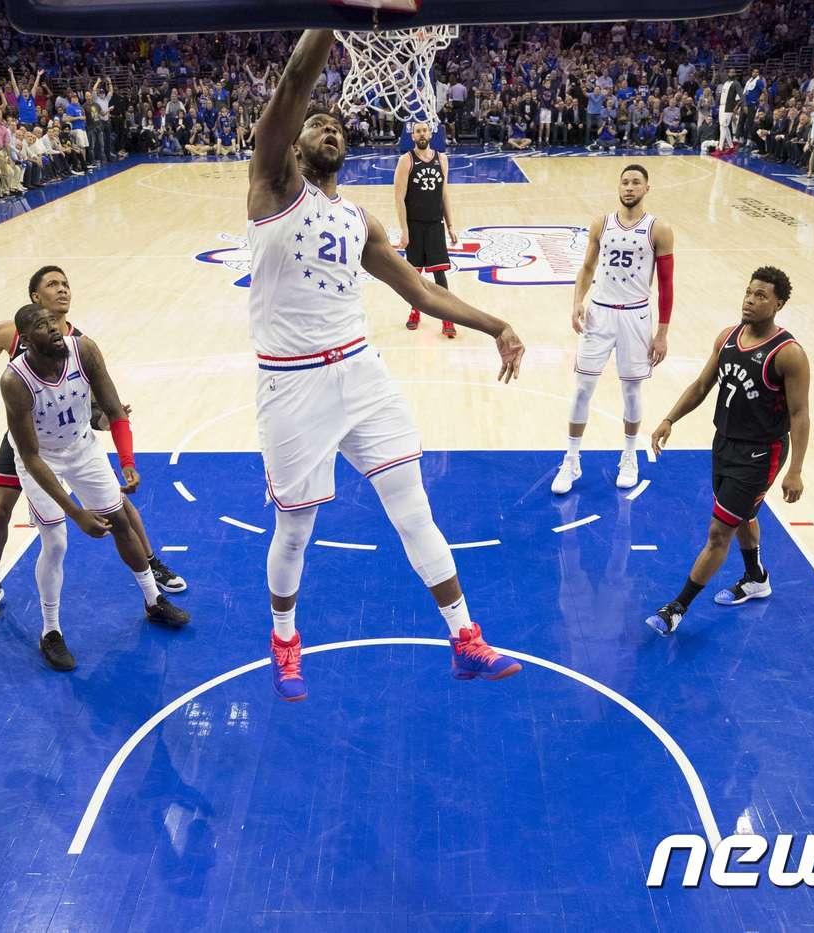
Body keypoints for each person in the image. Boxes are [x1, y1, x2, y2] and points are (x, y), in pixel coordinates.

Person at [247, 30, 526, 702]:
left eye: (336, 124)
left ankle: (463, 638)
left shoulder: (360, 221)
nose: (327, 128)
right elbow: (291, 86)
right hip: (292, 382)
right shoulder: (272, 184)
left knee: (412, 506)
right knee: (296, 527)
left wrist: (497, 325)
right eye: (315, 123)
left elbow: (421, 289)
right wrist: (326, 16)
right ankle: (285, 637)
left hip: (361, 373)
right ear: (293, 143)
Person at [0, 265, 187, 622]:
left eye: (66, 283)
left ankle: (150, 569)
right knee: (4, 510)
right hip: (26, 438)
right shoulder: (11, 344)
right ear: (35, 300)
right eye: (53, 284)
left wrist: (117, 438)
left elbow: (102, 412)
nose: (63, 289)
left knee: (120, 507)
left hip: (73, 435)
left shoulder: (81, 347)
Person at [0, 304, 189, 670]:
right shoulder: (15, 381)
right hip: (41, 458)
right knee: (56, 542)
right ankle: (50, 632)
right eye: (41, 326)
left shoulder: (83, 350)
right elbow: (31, 456)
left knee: (120, 520)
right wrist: (77, 514)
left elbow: (116, 412)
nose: (54, 329)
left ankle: (153, 601)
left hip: (82, 446)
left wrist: (128, 462)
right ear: (25, 341)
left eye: (53, 322)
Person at [645, 267, 810, 635]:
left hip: (761, 454)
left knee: (720, 532)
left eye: (761, 296)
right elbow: (703, 384)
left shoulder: (788, 354)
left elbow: (800, 414)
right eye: (749, 293)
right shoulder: (728, 337)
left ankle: (677, 608)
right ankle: (756, 578)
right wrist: (670, 419)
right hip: (724, 444)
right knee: (742, 518)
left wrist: (795, 469)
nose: (750, 300)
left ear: (779, 304)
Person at [552, 164, 676, 494]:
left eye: (636, 182)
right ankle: (572, 459)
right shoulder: (601, 223)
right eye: (624, 182)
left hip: (636, 317)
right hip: (600, 313)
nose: (629, 187)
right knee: (582, 388)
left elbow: (666, 285)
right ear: (618, 187)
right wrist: (577, 301)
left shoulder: (659, 229)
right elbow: (587, 267)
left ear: (647, 188)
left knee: (632, 390)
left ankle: (630, 456)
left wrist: (662, 332)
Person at [393, 121, 460, 337]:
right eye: (418, 131)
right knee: (414, 276)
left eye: (425, 130)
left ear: (431, 133)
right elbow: (399, 198)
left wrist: (450, 225)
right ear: (412, 136)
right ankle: (415, 310)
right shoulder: (406, 161)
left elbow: (444, 194)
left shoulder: (442, 159)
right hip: (414, 225)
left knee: (440, 274)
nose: (422, 134)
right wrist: (404, 230)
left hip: (434, 225)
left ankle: (447, 315)